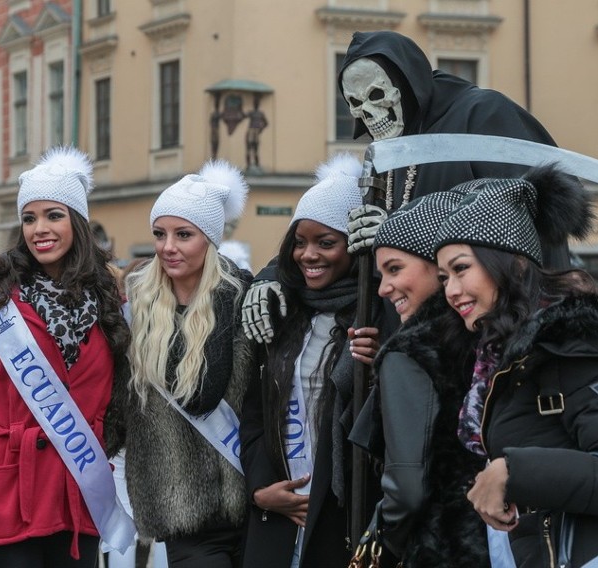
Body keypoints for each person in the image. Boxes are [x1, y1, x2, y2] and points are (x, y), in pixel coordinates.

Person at [243, 30, 573, 345]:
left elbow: (523, 215)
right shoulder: (390, 151)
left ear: (407, 84)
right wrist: (273, 275)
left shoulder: (480, 114)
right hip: (414, 340)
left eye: (377, 96)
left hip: (494, 328)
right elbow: (331, 238)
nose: (369, 115)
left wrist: (396, 232)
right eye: (356, 104)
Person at [433, 166, 598, 566]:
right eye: (443, 277)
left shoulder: (572, 345)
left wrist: (513, 472)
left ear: (514, 264)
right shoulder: (500, 358)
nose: (451, 290)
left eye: (461, 269)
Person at [0, 146, 130, 568]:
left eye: (53, 215)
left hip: (78, 503)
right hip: (5, 501)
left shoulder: (111, 303)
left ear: (76, 221)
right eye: (29, 217)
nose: (39, 228)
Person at [104, 160, 253, 568]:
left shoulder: (243, 298)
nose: (168, 246)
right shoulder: (134, 302)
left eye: (183, 235)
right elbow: (115, 400)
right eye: (160, 234)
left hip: (250, 498)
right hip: (177, 502)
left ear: (210, 238)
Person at [239, 154, 384, 568]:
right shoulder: (282, 311)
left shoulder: (377, 313)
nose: (308, 255)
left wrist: (378, 368)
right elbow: (253, 414)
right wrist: (259, 487)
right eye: (299, 242)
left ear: (353, 248)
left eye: (326, 242)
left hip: (339, 513)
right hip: (276, 514)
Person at [360, 190, 488, 567]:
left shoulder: (410, 352)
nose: (383, 288)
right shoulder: (491, 338)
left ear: (438, 265)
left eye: (395, 269)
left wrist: (389, 540)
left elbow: (407, 488)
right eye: (381, 273)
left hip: (438, 547)